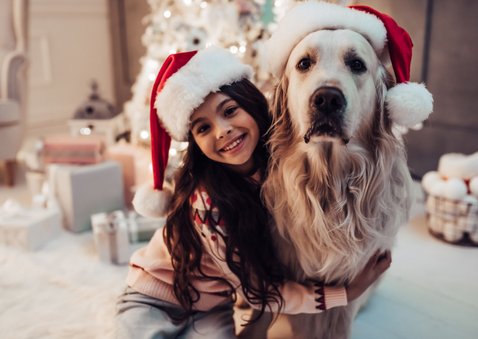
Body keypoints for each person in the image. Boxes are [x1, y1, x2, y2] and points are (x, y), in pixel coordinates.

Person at [116, 46, 392, 339]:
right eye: (203, 128)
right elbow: (260, 292)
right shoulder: (207, 204)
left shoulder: (279, 164)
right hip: (153, 298)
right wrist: (346, 293)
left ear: (252, 104)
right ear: (195, 142)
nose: (221, 131)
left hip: (212, 307)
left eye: (230, 111)